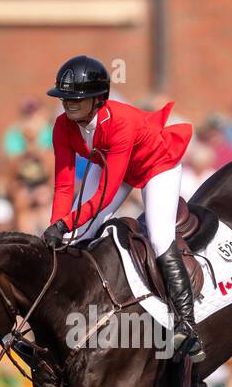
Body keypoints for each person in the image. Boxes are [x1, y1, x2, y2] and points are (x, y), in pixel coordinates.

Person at [42, 55, 204, 362]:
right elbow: (63, 186)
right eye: (64, 98)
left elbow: (105, 194)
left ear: (98, 99)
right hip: (115, 165)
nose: (68, 104)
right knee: (75, 236)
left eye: (76, 99)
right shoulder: (62, 126)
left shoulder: (120, 122)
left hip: (156, 165)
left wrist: (63, 224)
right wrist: (57, 227)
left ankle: (187, 324)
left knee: (159, 237)